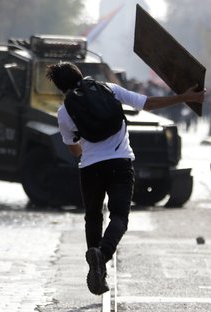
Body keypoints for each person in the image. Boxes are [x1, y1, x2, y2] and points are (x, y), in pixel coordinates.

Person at [45, 62, 205, 295]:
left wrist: (88, 152)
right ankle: (103, 255)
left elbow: (73, 148)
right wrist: (183, 97)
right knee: (119, 217)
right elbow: (148, 103)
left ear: (60, 88)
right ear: (80, 74)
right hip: (120, 163)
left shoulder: (64, 112)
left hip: (90, 168)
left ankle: (96, 266)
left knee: (93, 217)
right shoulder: (109, 89)